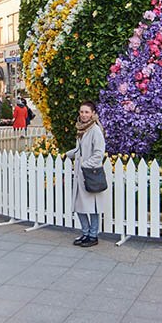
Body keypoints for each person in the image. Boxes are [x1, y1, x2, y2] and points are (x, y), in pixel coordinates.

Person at [66, 101, 107, 247]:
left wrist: (85, 165)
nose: (83, 115)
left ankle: (93, 235)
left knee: (93, 207)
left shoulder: (95, 130)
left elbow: (99, 153)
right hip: (80, 175)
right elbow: (80, 150)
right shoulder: (82, 130)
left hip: (89, 174)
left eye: (87, 112)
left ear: (93, 113)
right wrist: (67, 155)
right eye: (82, 112)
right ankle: (85, 232)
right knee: (79, 205)